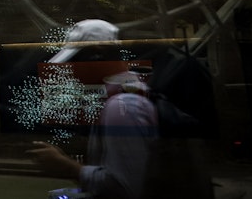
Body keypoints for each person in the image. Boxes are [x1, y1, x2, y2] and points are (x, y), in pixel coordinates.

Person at [27, 20, 159, 199]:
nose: (70, 72)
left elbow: (124, 189)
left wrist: (67, 166)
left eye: (73, 62)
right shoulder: (127, 96)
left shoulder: (123, 107)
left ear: (97, 56)